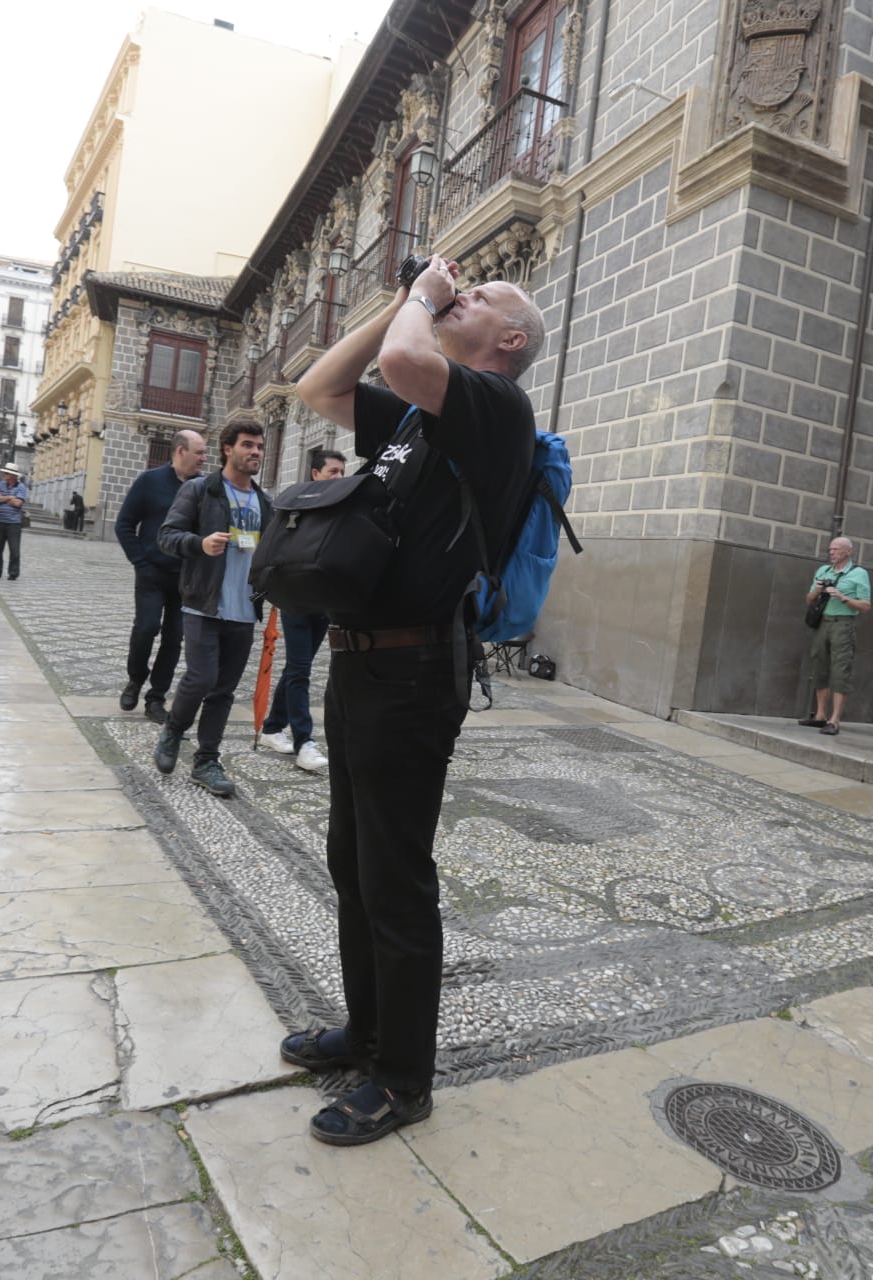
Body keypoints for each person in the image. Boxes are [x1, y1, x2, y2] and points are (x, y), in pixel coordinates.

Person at [283, 255, 542, 1147]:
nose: (465, 298)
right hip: (361, 666)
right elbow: (320, 385)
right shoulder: (422, 421)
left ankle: (403, 1079)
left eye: (484, 301)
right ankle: (366, 1032)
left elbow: (401, 363)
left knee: (395, 878)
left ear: (507, 340)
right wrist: (404, 302)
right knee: (354, 863)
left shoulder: (496, 407)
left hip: (416, 672)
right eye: (462, 293)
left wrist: (429, 301)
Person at [151, 424, 272, 797]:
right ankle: (173, 729)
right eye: (248, 445)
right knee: (200, 678)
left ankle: (206, 761)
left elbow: (270, 555)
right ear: (227, 449)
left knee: (223, 691)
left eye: (260, 447)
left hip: (243, 611)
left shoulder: (265, 503)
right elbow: (167, 536)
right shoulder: (201, 490)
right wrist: (200, 544)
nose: (256, 452)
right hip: (203, 604)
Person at [255, 447, 349, 774]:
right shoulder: (298, 506)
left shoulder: (340, 508)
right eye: (332, 471)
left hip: (323, 601)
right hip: (296, 599)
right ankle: (303, 742)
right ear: (315, 474)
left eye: (341, 471)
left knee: (300, 666)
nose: (339, 477)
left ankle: (271, 727)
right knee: (300, 669)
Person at [114, 429, 207, 723]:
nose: (204, 459)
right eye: (199, 453)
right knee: (146, 627)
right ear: (180, 451)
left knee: (173, 638)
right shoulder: (149, 481)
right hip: (151, 573)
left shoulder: (203, 488)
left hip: (185, 578)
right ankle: (136, 679)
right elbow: (124, 524)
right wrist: (140, 561)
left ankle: (156, 698)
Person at [796, 536, 871, 734]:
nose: (831, 552)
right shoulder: (823, 571)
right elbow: (809, 599)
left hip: (844, 625)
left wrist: (842, 597)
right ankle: (820, 716)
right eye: (830, 549)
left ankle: (834, 720)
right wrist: (819, 589)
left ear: (848, 552)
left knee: (840, 671)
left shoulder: (859, 574)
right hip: (823, 623)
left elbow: (865, 605)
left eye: (836, 549)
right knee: (819, 667)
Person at [0, 465, 26, 580]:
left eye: (7, 473)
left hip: (14, 523)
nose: (4, 475)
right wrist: (10, 497)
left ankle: (13, 573)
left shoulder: (21, 487)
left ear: (14, 475)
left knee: (14, 549)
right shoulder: (1, 484)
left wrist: (2, 498)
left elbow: (18, 503)